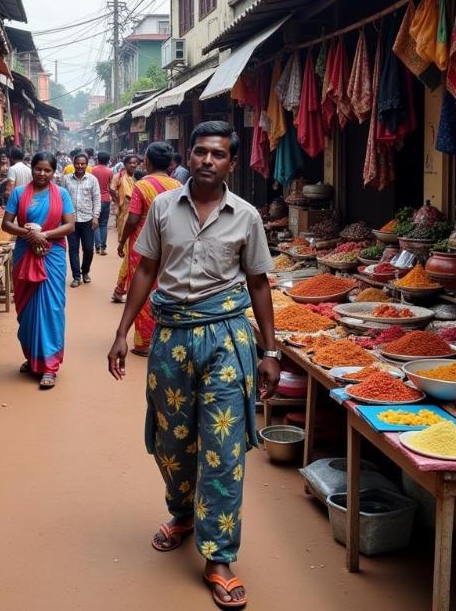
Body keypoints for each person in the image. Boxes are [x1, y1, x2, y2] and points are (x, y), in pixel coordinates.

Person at [108, 121, 280, 609]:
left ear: (232, 162)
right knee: (173, 439)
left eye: (218, 154)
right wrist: (122, 333)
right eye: (201, 152)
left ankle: (219, 556)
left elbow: (259, 284)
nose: (208, 160)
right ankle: (182, 512)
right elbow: (146, 268)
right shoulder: (163, 207)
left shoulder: (246, 216)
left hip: (227, 336)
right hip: (171, 338)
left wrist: (270, 352)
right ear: (189, 154)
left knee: (224, 449)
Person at [1, 152, 75, 389]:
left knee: (51, 308)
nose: (42, 174)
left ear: (54, 172)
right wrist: (29, 235)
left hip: (52, 255)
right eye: (38, 169)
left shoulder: (62, 194)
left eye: (48, 170)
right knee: (27, 310)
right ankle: (33, 358)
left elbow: (70, 225)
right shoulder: (19, 193)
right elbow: (6, 223)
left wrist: (43, 236)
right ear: (31, 169)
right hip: (25, 254)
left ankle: (49, 367)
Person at [116, 142, 180, 356]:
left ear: (147, 162)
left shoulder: (142, 185)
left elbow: (133, 218)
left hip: (143, 243)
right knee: (165, 287)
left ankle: (144, 342)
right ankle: (166, 336)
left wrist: (122, 239)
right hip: (170, 241)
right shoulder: (178, 186)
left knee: (142, 289)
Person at [62, 153, 101, 287]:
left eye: (82, 163)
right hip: (70, 220)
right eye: (77, 163)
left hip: (87, 219)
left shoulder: (92, 180)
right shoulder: (66, 179)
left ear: (86, 164)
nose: (80, 166)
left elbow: (96, 198)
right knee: (73, 249)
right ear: (73, 164)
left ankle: (85, 272)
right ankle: (76, 276)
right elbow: (61, 198)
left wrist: (96, 216)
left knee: (89, 249)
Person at [109, 152, 140, 303]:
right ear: (125, 164)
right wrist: (118, 202)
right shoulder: (119, 176)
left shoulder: (138, 178)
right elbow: (113, 189)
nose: (133, 165)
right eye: (130, 163)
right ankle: (120, 289)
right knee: (129, 253)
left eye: (135, 163)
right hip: (126, 218)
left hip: (137, 219)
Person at [91, 151, 113, 256]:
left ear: (98, 159)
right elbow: (110, 185)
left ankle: (97, 246)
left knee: (96, 224)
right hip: (105, 199)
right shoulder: (110, 171)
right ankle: (103, 247)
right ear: (108, 160)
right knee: (104, 224)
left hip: (95, 199)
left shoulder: (93, 170)